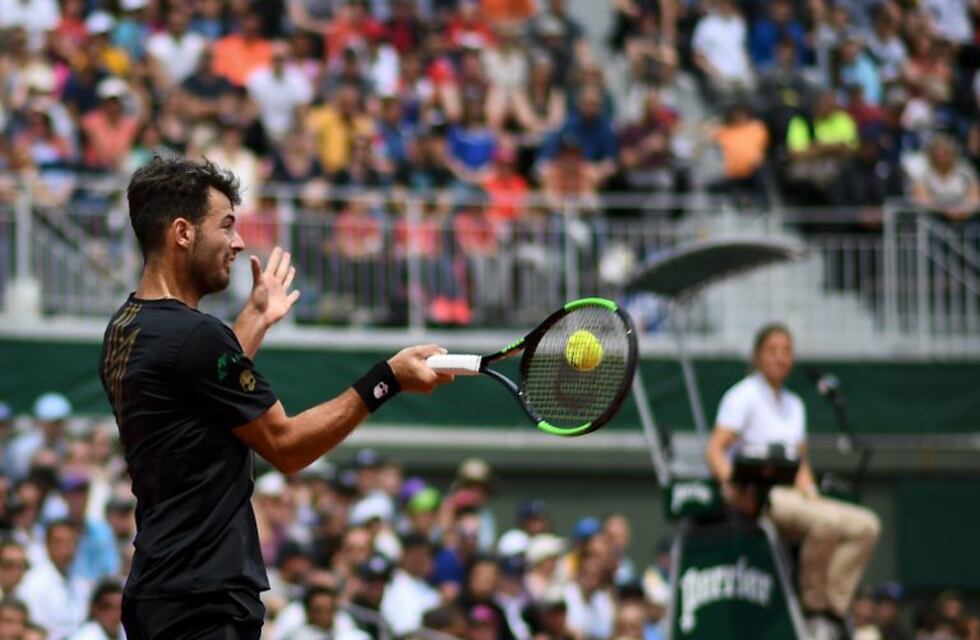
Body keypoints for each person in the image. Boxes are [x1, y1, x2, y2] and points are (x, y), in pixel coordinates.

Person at [98, 156, 453, 640]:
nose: (239, 243)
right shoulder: (195, 336)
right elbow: (287, 446)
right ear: (182, 233)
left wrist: (257, 318)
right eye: (225, 226)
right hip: (203, 601)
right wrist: (386, 378)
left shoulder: (126, 327)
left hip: (159, 590)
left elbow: (200, 392)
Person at [705, 324, 880, 637]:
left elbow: (800, 463)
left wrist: (812, 493)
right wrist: (733, 489)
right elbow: (715, 450)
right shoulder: (742, 395)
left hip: (794, 494)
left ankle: (833, 607)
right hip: (759, 493)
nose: (780, 357)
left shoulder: (795, 404)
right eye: (772, 350)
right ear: (757, 356)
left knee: (866, 526)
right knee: (826, 523)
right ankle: (813, 608)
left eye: (786, 351)